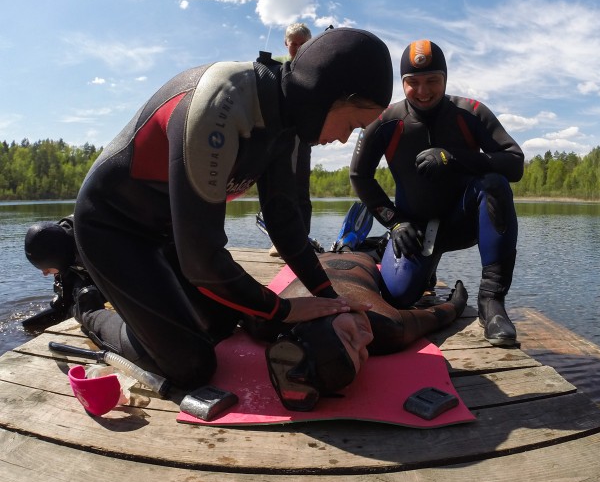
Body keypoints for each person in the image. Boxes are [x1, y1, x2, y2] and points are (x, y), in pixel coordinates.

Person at [73, 27, 394, 391]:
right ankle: (88, 310)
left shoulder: (288, 123)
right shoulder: (221, 103)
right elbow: (202, 263)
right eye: (352, 124)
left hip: (169, 233)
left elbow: (285, 224)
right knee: (190, 364)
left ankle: (150, 310)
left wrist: (332, 300)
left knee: (223, 324)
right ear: (325, 94)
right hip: (112, 227)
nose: (342, 138)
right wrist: (284, 310)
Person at [350, 39, 524, 348]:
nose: (424, 90)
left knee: (495, 183)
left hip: (461, 222)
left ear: (445, 78)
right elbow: (359, 176)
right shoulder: (386, 121)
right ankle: (412, 266)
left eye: (433, 80)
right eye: (412, 83)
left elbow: (514, 164)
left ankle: (492, 303)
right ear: (402, 82)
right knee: (398, 296)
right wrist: (394, 221)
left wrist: (453, 157)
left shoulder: (470, 112)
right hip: (414, 230)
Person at [261, 251, 467, 411]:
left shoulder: (269, 320)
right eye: (362, 355)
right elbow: (439, 314)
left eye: (350, 337)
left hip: (320, 260)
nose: (367, 338)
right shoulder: (387, 328)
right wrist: (458, 301)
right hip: (362, 262)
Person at [268, 22, 315, 256]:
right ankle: (279, 240)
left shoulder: (316, 68)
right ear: (286, 43)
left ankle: (301, 240)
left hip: (300, 137)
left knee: (299, 190)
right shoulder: (276, 66)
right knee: (276, 187)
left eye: (302, 44)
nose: (296, 48)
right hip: (276, 137)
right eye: (293, 44)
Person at [23, 216, 102, 329]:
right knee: (68, 295)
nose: (44, 274)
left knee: (87, 295)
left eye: (47, 269)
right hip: (77, 262)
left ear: (58, 260)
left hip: (111, 265)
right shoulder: (57, 240)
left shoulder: (92, 247)